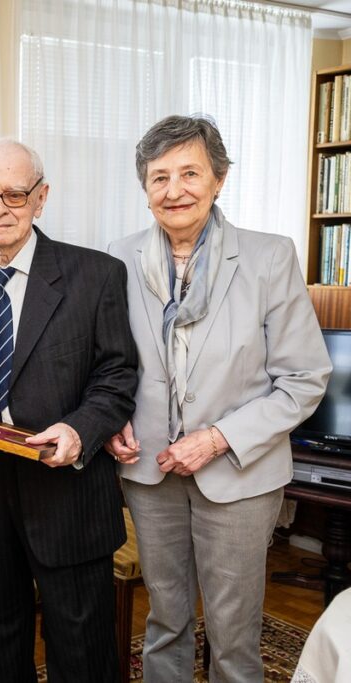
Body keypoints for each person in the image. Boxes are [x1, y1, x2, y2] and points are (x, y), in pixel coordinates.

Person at [106, 114, 331, 682]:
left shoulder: (268, 257)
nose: (174, 190)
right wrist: (112, 419)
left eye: (190, 173)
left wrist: (216, 439)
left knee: (232, 634)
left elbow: (304, 378)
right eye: (159, 177)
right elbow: (110, 363)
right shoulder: (119, 256)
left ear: (219, 179)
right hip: (149, 473)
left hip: (238, 474)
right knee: (165, 621)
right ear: (145, 189)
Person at [0, 138, 138, 682]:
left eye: (14, 194)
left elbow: (117, 376)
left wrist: (81, 429)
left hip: (67, 491)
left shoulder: (97, 276)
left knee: (82, 650)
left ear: (41, 199)